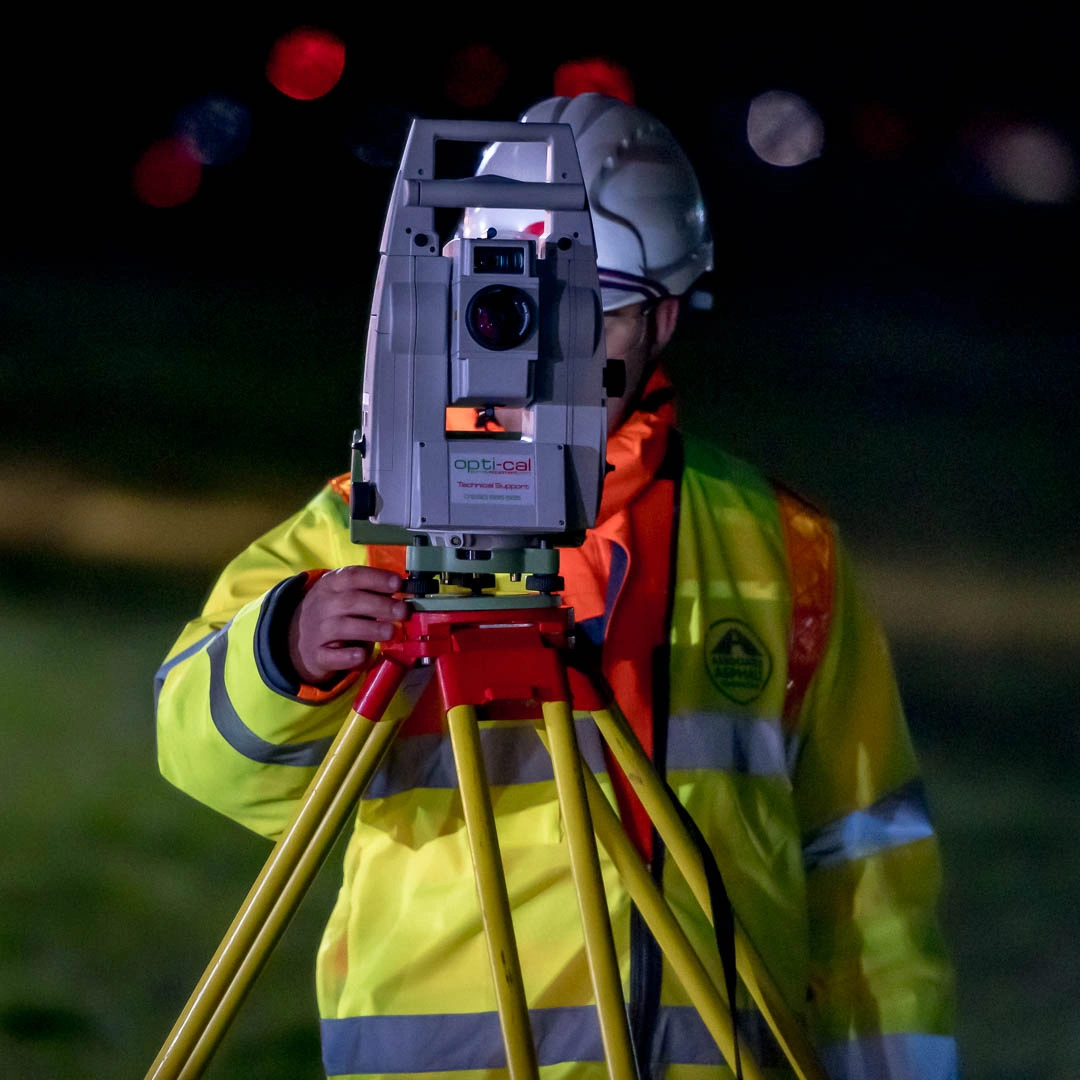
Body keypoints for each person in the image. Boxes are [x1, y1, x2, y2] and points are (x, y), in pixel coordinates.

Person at [155, 93, 957, 1079]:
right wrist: (288, 645)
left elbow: (869, 860)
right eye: (522, 291)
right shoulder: (375, 522)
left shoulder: (784, 550)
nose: (551, 336)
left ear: (662, 313)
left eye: (596, 299)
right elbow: (197, 750)